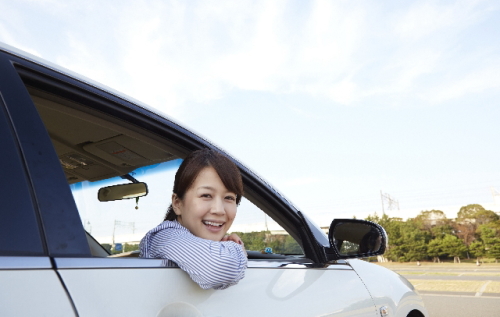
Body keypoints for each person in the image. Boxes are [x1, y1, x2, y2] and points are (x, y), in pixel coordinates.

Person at [140, 148, 247, 290]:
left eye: (229, 198)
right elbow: (219, 268)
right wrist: (238, 249)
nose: (219, 210)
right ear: (177, 203)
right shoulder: (165, 237)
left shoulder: (195, 242)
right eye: (206, 195)